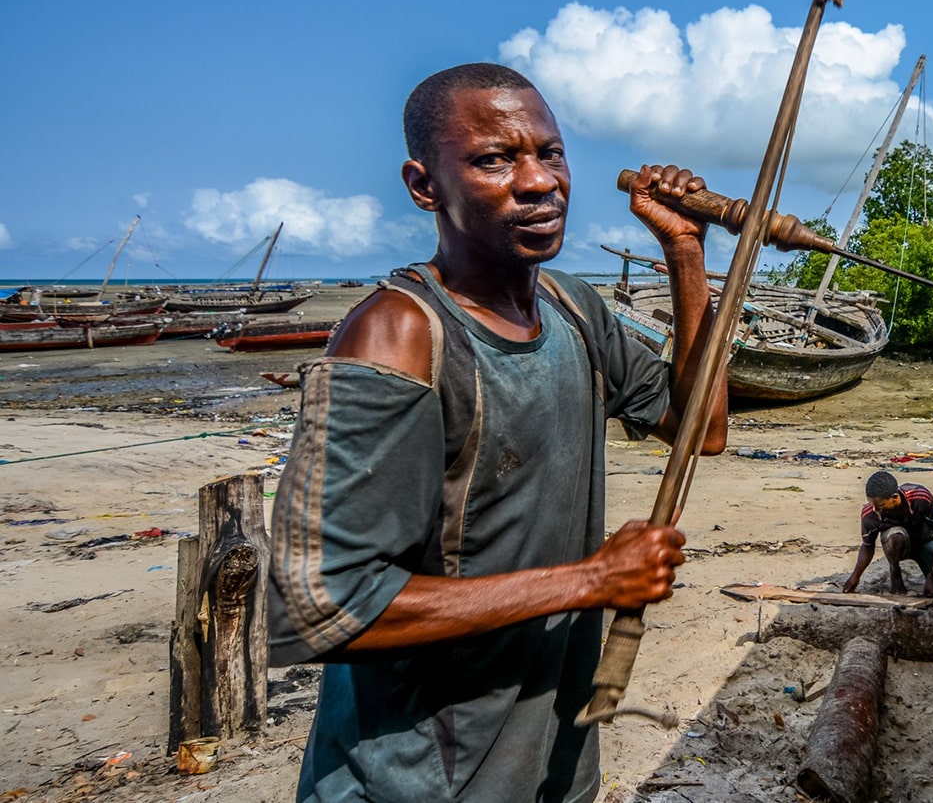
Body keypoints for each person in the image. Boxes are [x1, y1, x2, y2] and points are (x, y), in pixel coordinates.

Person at [266, 62, 728, 802]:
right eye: (493, 160)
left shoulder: (573, 309)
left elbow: (701, 428)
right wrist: (593, 581)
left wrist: (685, 251)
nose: (539, 181)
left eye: (549, 153)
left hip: (550, 758)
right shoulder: (397, 338)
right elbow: (322, 606)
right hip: (415, 779)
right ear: (425, 186)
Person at [842, 471, 933, 597]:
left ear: (895, 498)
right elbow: (867, 545)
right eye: (872, 505)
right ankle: (895, 570)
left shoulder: (920, 498)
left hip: (923, 541)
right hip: (897, 546)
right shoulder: (870, 515)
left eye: (880, 506)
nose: (875, 510)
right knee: (895, 537)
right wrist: (855, 577)